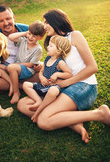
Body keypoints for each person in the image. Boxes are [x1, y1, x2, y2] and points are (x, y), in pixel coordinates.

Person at [17, 9, 110, 143]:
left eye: (47, 22)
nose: (44, 26)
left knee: (43, 121)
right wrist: (42, 67)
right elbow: (58, 64)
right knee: (23, 104)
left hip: (83, 86)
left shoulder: (74, 36)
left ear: (56, 21)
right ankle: (71, 122)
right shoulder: (55, 42)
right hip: (60, 88)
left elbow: (92, 67)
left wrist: (67, 83)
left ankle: (100, 114)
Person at [0, 5, 40, 91]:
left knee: (44, 69)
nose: (6, 23)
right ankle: (20, 85)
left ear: (13, 17)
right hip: (5, 70)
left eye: (8, 18)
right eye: (1, 21)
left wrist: (37, 65)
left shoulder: (27, 29)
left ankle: (13, 84)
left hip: (23, 68)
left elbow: (34, 50)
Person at [23, 35, 72, 122]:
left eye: (51, 46)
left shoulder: (60, 62)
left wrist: (57, 74)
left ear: (59, 50)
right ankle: (38, 101)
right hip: (43, 85)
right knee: (26, 84)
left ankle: (39, 111)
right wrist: (41, 78)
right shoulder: (47, 59)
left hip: (52, 88)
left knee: (53, 90)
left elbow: (69, 74)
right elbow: (41, 72)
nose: (48, 47)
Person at [0, 21, 45, 104]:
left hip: (28, 70)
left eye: (34, 36)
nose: (30, 37)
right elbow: (11, 37)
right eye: (29, 34)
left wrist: (13, 65)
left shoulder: (38, 49)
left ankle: (16, 92)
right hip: (16, 66)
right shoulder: (23, 41)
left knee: (11, 67)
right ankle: (11, 83)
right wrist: (25, 33)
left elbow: (31, 64)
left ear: (40, 38)